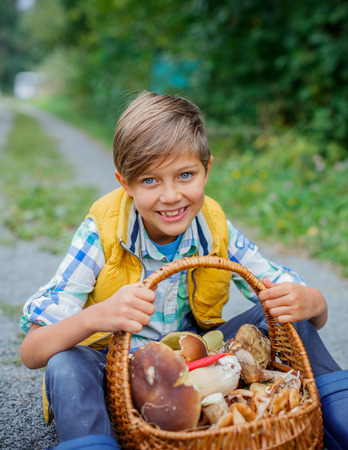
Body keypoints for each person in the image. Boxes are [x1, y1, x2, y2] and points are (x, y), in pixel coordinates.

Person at [20, 91, 341, 449]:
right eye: (150, 181)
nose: (171, 196)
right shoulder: (102, 231)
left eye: (185, 175)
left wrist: (315, 303)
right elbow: (32, 350)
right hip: (115, 373)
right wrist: (97, 315)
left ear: (207, 170)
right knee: (67, 361)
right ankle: (95, 440)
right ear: (125, 183)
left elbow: (286, 293)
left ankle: (336, 423)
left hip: (198, 363)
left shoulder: (215, 227)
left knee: (283, 312)